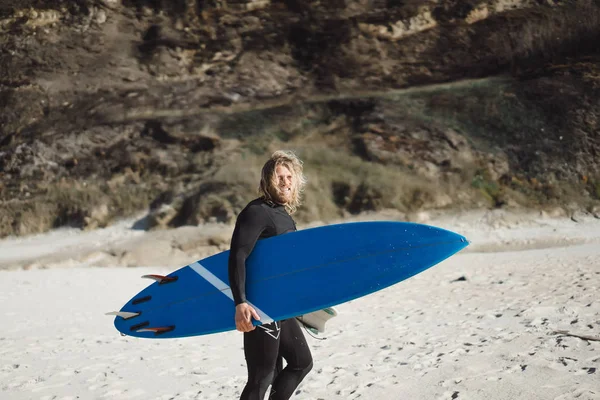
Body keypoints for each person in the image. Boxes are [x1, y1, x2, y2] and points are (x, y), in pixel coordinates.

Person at [228, 150, 313, 400]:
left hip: (280, 306)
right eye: (279, 177)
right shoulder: (257, 211)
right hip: (259, 307)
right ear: (267, 181)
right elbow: (238, 256)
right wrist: (240, 302)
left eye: (289, 177)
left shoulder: (282, 214)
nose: (285, 182)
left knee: (301, 363)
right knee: (262, 376)